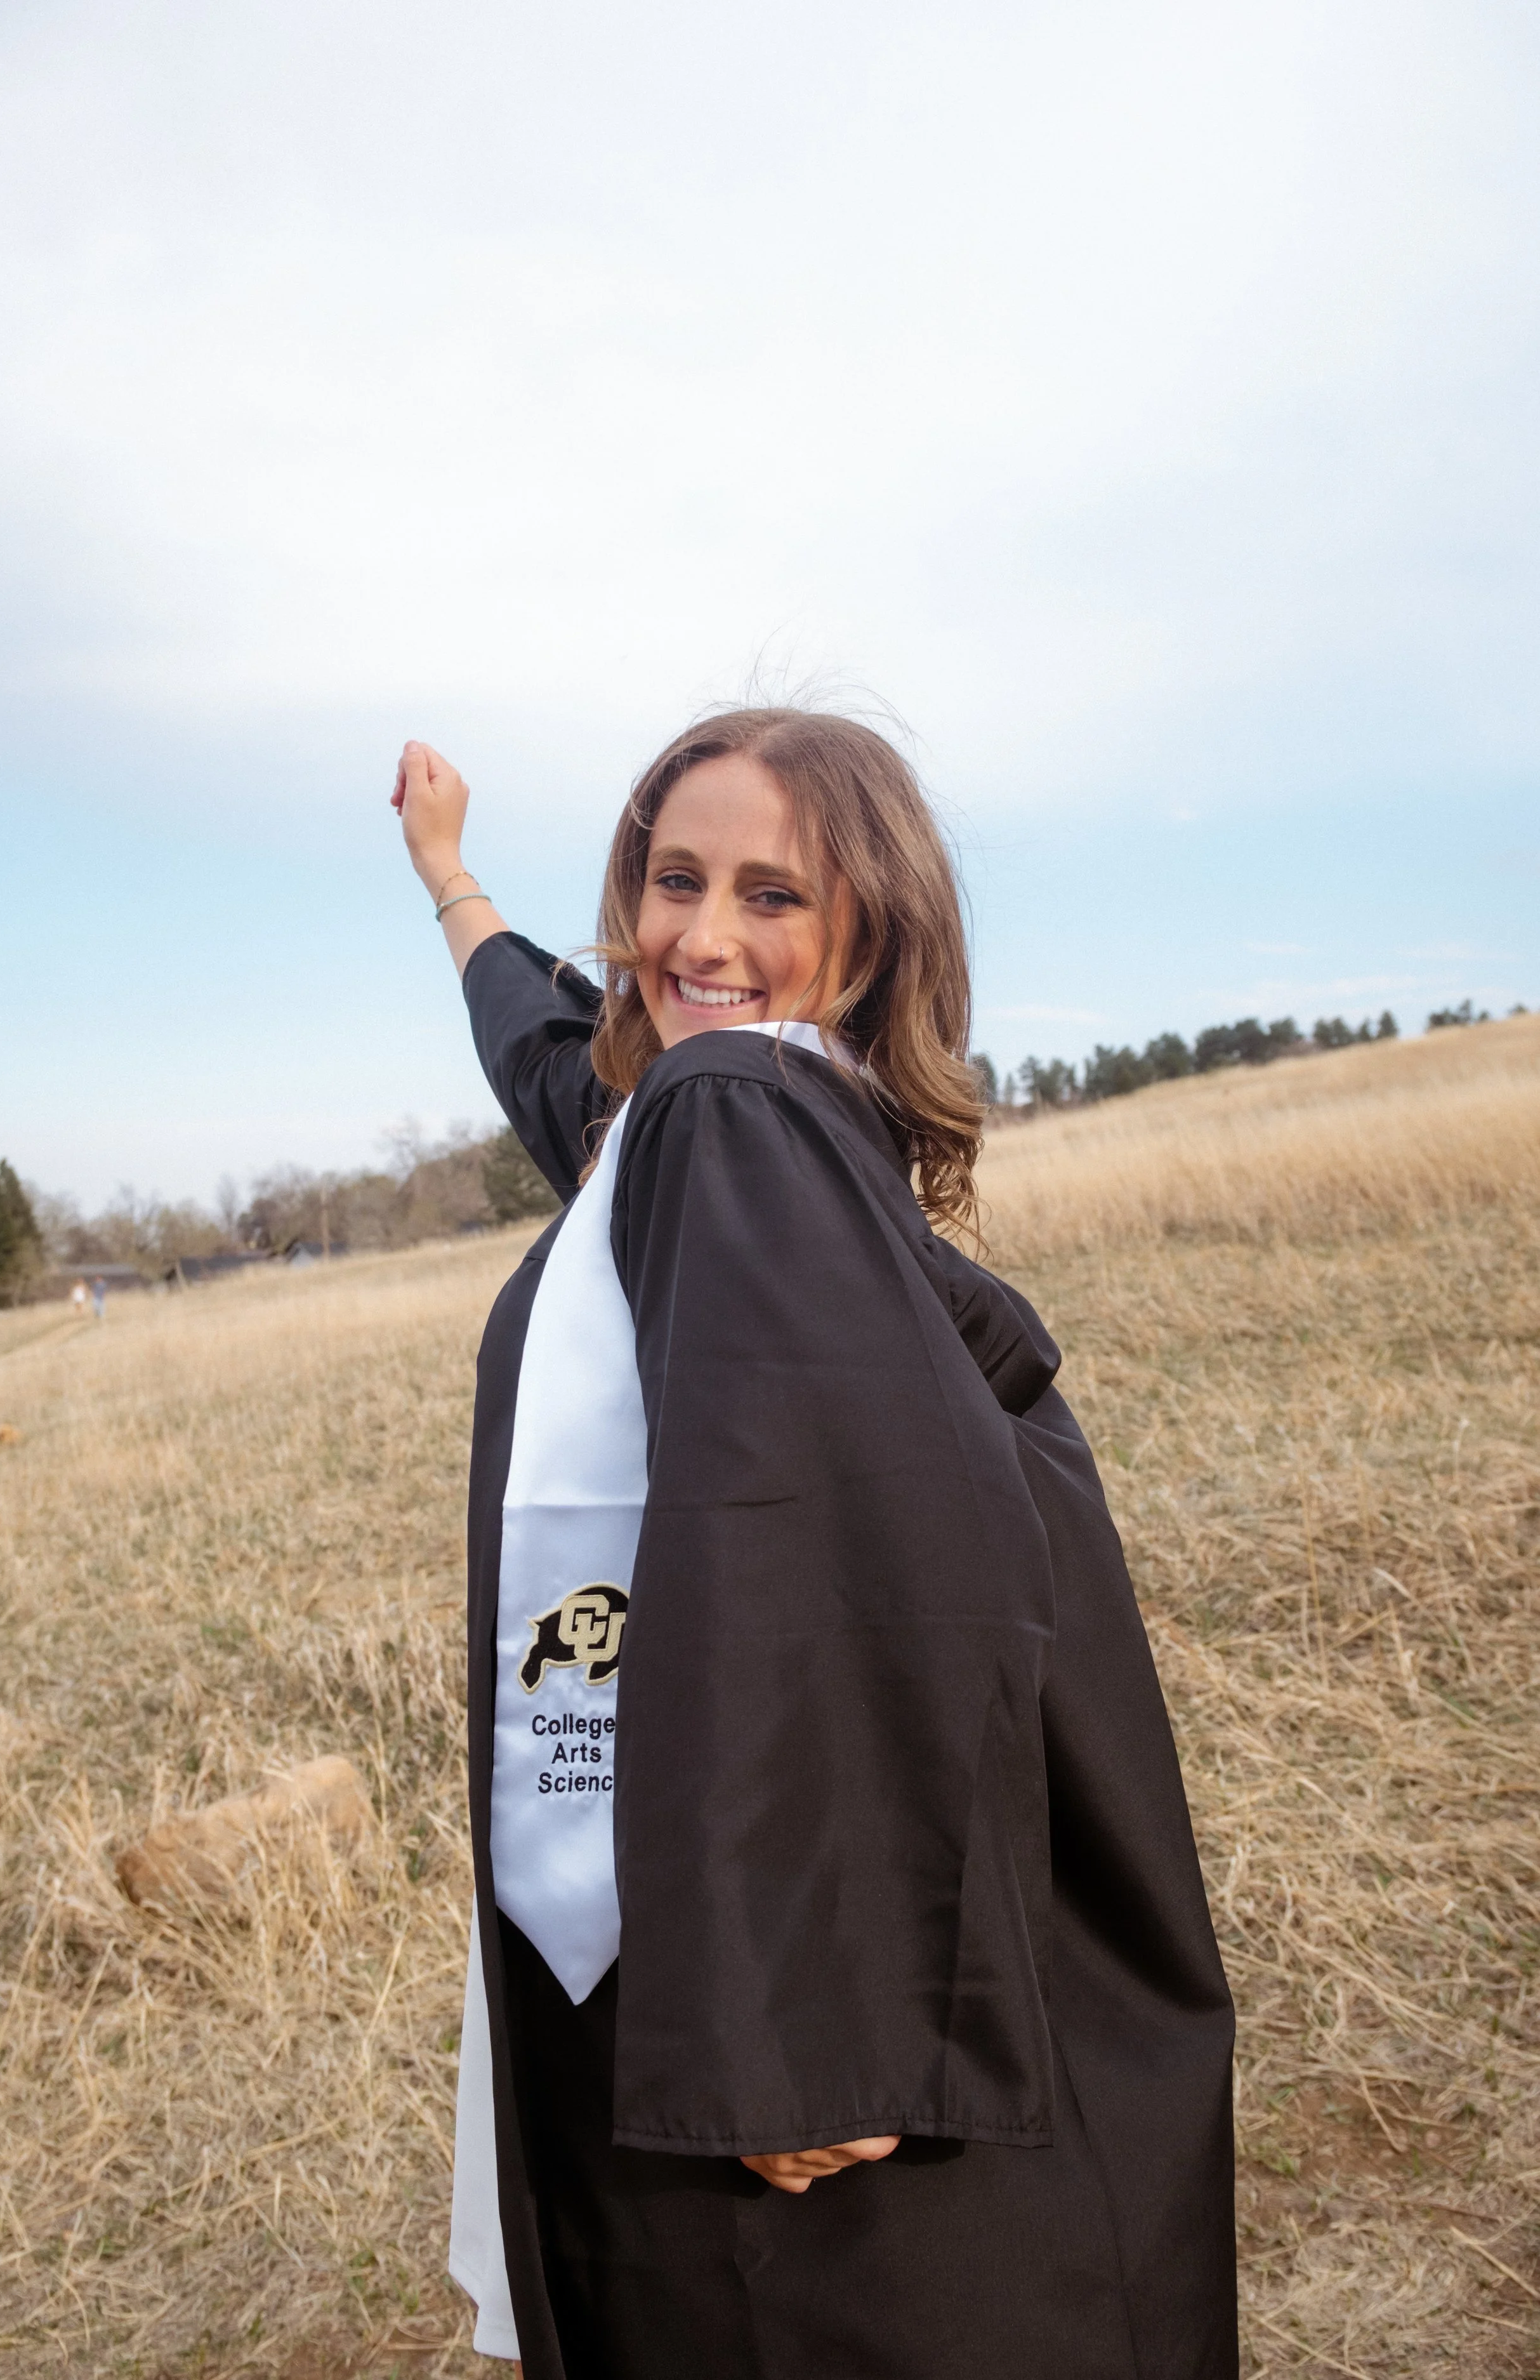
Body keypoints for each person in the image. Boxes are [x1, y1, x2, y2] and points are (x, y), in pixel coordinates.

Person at [394, 711, 1237, 2380]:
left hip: (797, 1955)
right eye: (669, 878)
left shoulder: (730, 1112)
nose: (701, 933)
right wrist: (450, 875)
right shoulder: (690, 1123)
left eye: (772, 892)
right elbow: (553, 1059)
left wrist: (810, 2021)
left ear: (875, 931)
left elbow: (826, 1553)